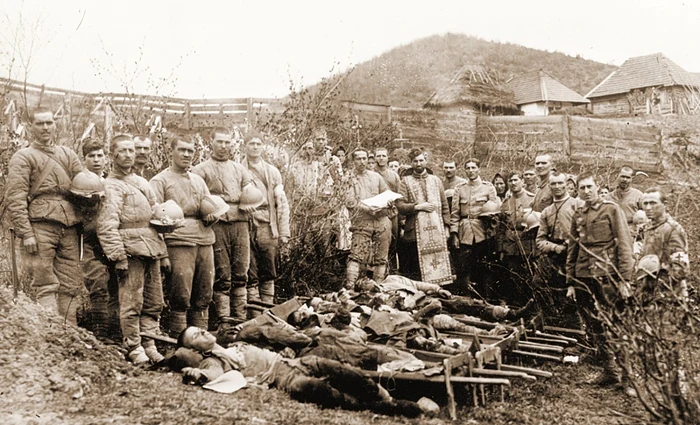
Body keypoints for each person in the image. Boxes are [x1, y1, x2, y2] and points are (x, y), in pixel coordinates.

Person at [175, 327, 423, 417]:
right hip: (283, 376)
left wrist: (287, 350)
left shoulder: (235, 344)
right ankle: (380, 407)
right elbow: (210, 375)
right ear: (192, 348)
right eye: (195, 336)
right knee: (315, 389)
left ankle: (384, 398)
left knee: (342, 370)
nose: (203, 333)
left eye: (200, 329)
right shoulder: (213, 360)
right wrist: (194, 373)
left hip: (296, 362)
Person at [5, 106, 84, 323]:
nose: (45, 127)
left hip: (69, 227)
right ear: (31, 126)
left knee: (70, 283)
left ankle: (71, 335)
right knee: (45, 282)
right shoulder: (23, 157)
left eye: (49, 122)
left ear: (55, 124)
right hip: (39, 228)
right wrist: (26, 233)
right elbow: (16, 198)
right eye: (40, 123)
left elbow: (85, 185)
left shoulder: (68, 154)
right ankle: (50, 334)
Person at [98, 134, 170, 364]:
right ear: (113, 155)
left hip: (151, 246)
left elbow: (157, 215)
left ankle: (149, 343)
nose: (129, 155)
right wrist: (118, 256)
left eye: (132, 150)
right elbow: (107, 224)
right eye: (123, 151)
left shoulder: (141, 182)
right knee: (131, 301)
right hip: (130, 250)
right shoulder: (110, 186)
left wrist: (164, 250)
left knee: (153, 300)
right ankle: (134, 345)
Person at [566, 171, 633, 389]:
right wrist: (570, 281)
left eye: (589, 187)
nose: (586, 192)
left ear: (597, 187)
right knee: (594, 325)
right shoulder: (578, 214)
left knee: (615, 325)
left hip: (607, 275)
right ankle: (610, 371)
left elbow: (624, 243)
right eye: (581, 188)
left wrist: (624, 279)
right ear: (577, 190)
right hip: (584, 277)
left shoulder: (611, 209)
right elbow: (573, 248)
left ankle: (628, 377)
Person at [151, 134, 216, 336]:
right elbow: (154, 220)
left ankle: (201, 340)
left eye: (190, 150)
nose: (187, 154)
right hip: (178, 241)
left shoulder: (198, 180)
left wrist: (212, 215)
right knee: (180, 293)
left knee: (204, 292)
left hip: (204, 239)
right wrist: (162, 253)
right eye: (182, 150)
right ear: (171, 151)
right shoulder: (159, 181)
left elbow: (208, 205)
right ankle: (178, 339)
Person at [192, 128, 256, 322]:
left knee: (241, 271)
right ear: (210, 142)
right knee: (222, 274)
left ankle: (240, 318)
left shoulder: (240, 169)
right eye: (219, 141)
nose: (224, 146)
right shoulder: (200, 170)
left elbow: (250, 192)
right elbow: (197, 199)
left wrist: (251, 204)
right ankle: (225, 321)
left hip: (241, 221)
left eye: (227, 142)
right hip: (217, 223)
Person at [76, 139, 119, 342]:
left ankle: (116, 334)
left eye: (99, 155)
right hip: (89, 240)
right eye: (91, 156)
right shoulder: (78, 182)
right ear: (84, 159)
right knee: (98, 283)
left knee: (116, 285)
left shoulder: (112, 182)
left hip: (110, 239)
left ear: (106, 158)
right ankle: (100, 335)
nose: (96, 160)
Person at [241, 131, 290, 304]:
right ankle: (253, 311)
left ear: (262, 146)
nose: (255, 147)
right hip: (245, 223)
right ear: (244, 146)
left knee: (268, 270)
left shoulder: (272, 172)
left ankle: (267, 308)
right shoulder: (238, 169)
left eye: (258, 144)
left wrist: (284, 232)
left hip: (267, 225)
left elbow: (281, 202)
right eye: (251, 143)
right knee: (249, 269)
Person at [396, 149, 451, 284]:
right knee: (415, 270)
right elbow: (400, 205)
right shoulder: (405, 181)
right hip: (414, 233)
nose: (419, 164)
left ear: (425, 161)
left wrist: (447, 228)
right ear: (411, 163)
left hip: (436, 231)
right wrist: (417, 207)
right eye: (415, 161)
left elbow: (444, 206)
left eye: (421, 160)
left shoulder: (436, 181)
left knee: (436, 266)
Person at [534, 172, 580, 328]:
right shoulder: (547, 211)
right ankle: (552, 322)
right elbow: (540, 240)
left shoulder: (577, 205)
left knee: (571, 293)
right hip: (554, 256)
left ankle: (574, 329)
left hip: (574, 255)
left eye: (560, 183)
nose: (557, 187)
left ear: (566, 184)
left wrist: (572, 244)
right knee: (539, 284)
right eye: (553, 184)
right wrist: (555, 248)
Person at [449, 158, 500, 297]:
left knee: (484, 267)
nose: (471, 171)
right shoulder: (460, 188)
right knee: (463, 268)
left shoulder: (488, 187)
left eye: (473, 168)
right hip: (464, 232)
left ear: (479, 169)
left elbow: (494, 213)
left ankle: (487, 298)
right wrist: (454, 234)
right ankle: (465, 298)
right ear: (464, 170)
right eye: (468, 168)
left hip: (483, 232)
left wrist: (491, 231)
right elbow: (455, 214)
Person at [344, 149, 392, 287]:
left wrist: (386, 204)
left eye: (364, 158)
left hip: (380, 220)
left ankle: (379, 287)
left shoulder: (376, 177)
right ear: (353, 161)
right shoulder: (349, 178)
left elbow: (386, 194)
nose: (362, 162)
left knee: (381, 257)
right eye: (358, 159)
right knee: (356, 255)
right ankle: (350, 286)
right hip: (361, 221)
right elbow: (350, 201)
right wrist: (367, 208)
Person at [637, 187, 689, 299]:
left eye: (653, 203)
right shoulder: (646, 229)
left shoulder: (673, 229)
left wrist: (660, 287)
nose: (648, 207)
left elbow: (681, 267)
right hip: (647, 293)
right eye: (645, 203)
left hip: (668, 294)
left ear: (664, 204)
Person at [496, 171, 535, 304]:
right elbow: (501, 227)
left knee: (528, 275)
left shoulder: (532, 199)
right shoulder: (506, 202)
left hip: (527, 243)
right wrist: (500, 248)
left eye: (516, 180)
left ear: (522, 181)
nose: (513, 183)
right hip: (510, 244)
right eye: (510, 181)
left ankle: (528, 303)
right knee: (512, 276)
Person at [609, 166, 643, 239]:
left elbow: (646, 217)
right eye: (622, 176)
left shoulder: (638, 195)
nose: (624, 180)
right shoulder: (608, 197)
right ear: (617, 176)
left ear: (631, 179)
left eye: (628, 177)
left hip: (631, 235)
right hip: (612, 235)